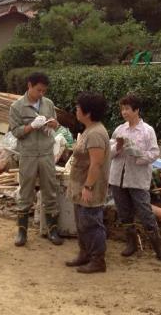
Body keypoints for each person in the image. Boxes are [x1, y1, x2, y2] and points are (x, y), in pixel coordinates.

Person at [109, 94, 161, 263]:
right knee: (124, 212)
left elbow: (154, 153)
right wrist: (119, 147)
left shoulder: (147, 130)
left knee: (145, 212)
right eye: (122, 109)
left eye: (127, 109)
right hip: (118, 178)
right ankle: (131, 244)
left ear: (136, 110)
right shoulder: (119, 130)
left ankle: (159, 249)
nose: (124, 112)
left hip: (137, 178)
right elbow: (109, 153)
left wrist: (137, 155)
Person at [9, 72, 63, 246]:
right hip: (28, 154)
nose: (41, 94)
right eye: (38, 90)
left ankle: (52, 230)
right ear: (29, 86)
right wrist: (31, 126)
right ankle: (22, 232)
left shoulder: (48, 104)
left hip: (47, 153)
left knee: (51, 190)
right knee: (25, 192)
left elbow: (56, 123)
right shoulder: (17, 107)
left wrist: (53, 124)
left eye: (44, 91)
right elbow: (16, 132)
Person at [66, 93, 110, 274]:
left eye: (78, 107)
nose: (76, 110)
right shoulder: (88, 130)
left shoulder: (96, 134)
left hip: (90, 187)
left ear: (88, 112)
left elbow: (96, 163)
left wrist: (88, 186)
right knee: (81, 222)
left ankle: (98, 260)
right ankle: (84, 253)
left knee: (91, 222)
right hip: (80, 184)